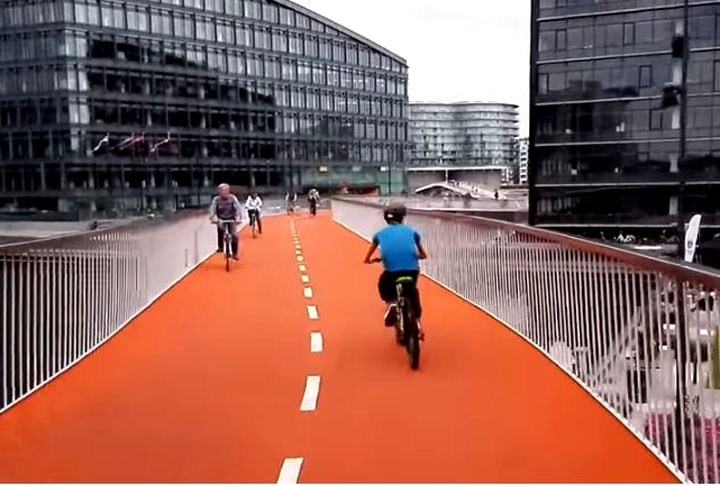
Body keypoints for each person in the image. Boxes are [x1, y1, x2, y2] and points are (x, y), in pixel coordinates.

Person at [363, 204, 427, 338]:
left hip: (392, 272)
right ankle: (417, 321)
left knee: (384, 284)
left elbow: (368, 255)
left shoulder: (379, 234)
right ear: (402, 218)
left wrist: (370, 259)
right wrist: (421, 255)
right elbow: (422, 253)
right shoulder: (412, 232)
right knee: (412, 291)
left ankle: (392, 302)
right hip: (411, 271)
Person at [209, 183, 242, 259]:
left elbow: (237, 208)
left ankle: (235, 253)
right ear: (219, 192)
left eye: (225, 190)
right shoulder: (216, 200)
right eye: (222, 190)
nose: (224, 192)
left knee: (234, 235)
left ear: (228, 191)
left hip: (232, 218)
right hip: (221, 218)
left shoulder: (232, 198)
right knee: (220, 230)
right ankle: (221, 247)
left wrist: (238, 217)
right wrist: (213, 218)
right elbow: (212, 209)